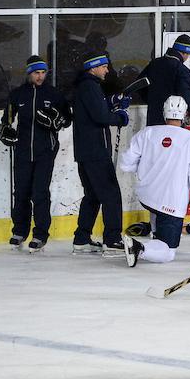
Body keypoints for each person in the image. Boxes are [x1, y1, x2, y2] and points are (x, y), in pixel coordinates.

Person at [119, 96, 190, 268]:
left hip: (147, 196)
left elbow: (125, 164)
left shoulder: (147, 133)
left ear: (164, 113)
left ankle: (155, 237)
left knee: (157, 214)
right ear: (184, 115)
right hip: (171, 201)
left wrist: (148, 170)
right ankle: (139, 248)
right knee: (168, 252)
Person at [0, 55, 71, 253]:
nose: (40, 76)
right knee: (21, 192)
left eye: (43, 72)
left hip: (45, 151)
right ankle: (19, 231)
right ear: (29, 73)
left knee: (39, 193)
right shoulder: (17, 95)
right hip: (22, 151)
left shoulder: (54, 94)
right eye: (36, 73)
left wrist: (55, 121)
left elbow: (66, 119)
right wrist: (6, 132)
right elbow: (7, 119)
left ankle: (40, 234)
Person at [71, 51, 130, 257]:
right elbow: (100, 116)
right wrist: (120, 117)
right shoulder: (90, 87)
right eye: (104, 66)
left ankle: (81, 238)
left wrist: (111, 102)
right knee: (111, 194)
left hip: (86, 151)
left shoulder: (86, 87)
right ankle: (112, 239)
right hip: (96, 151)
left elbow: (96, 110)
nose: (107, 70)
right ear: (93, 68)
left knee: (93, 196)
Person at [139, 34, 190, 129]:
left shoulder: (154, 64)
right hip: (173, 122)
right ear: (185, 53)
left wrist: (153, 101)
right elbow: (186, 94)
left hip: (153, 121)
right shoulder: (182, 70)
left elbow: (140, 85)